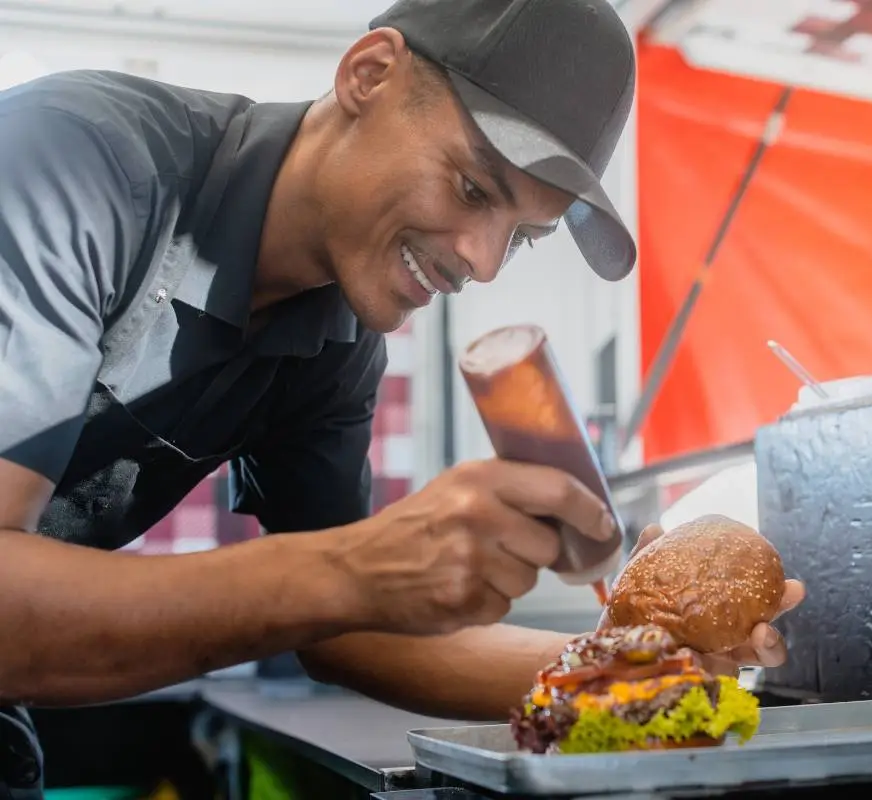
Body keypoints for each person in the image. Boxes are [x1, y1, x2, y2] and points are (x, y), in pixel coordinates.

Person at [0, 0, 805, 795]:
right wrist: (357, 566)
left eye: (523, 236)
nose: (484, 264)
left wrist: (628, 665)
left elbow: (343, 635)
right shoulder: (74, 162)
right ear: (369, 73)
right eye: (473, 188)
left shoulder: (339, 344)